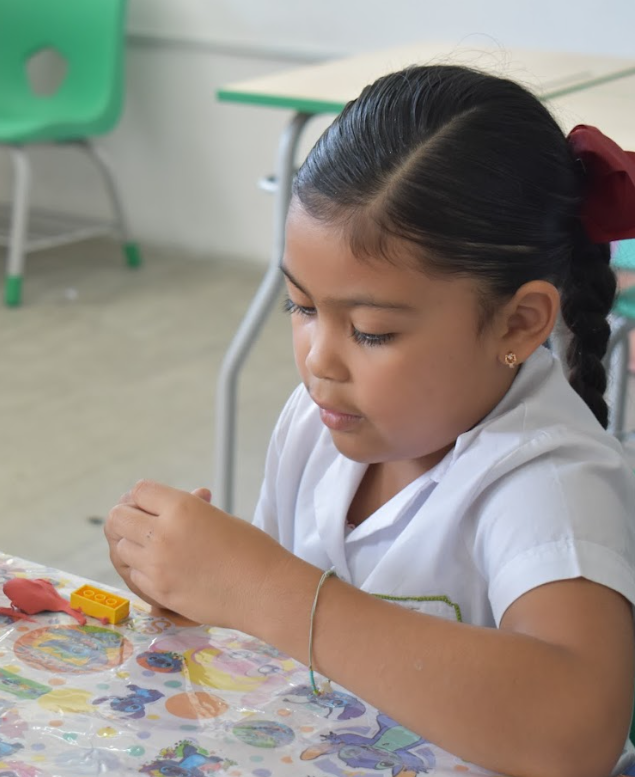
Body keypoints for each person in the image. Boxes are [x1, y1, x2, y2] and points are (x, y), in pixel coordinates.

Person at [105, 65, 635, 777]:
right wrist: (198, 586)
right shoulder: (315, 424)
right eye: (299, 307)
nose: (319, 359)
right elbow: (281, 639)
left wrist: (263, 587)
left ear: (518, 321)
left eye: (372, 331)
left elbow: (573, 733)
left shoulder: (546, 480)